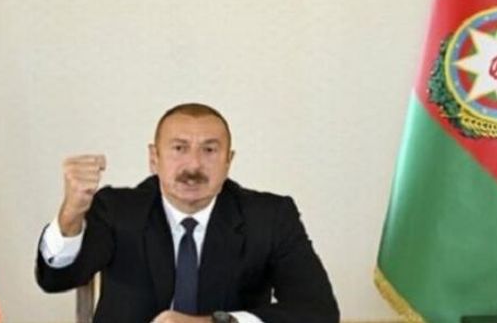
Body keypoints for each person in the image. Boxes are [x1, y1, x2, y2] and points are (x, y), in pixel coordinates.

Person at [36, 103, 339, 323]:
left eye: (209, 150)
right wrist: (71, 216)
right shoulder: (116, 209)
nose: (193, 166)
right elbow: (55, 279)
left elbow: (318, 312)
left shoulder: (270, 217)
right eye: (179, 148)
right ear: (154, 158)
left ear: (228, 161)